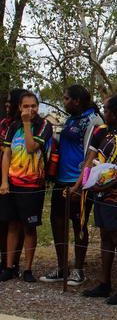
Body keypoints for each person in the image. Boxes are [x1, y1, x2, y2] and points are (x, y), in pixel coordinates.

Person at [74, 94, 117, 305]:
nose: (104, 113)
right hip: (100, 192)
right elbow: (91, 161)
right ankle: (104, 283)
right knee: (104, 238)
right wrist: (81, 185)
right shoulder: (104, 133)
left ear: (116, 113)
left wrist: (107, 185)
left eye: (107, 110)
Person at [40, 85, 103, 286]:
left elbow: (91, 153)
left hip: (79, 182)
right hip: (61, 180)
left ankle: (78, 269)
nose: (64, 101)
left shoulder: (94, 120)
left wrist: (82, 184)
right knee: (57, 221)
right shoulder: (71, 119)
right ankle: (61, 267)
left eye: (66, 98)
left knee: (79, 224)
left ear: (76, 101)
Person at [0, 91, 53, 282]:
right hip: (13, 183)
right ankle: (8, 266)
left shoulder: (44, 125)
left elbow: (31, 147)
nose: (30, 109)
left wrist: (28, 124)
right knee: (12, 225)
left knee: (29, 227)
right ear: (19, 107)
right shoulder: (13, 126)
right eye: (25, 106)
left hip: (33, 185)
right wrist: (4, 181)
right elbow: (6, 154)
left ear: (38, 107)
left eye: (33, 106)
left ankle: (28, 268)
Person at [0, 88, 26, 276]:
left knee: (14, 222)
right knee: (2, 222)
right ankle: (4, 261)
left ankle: (13, 263)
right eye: (6, 101)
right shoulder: (3, 123)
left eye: (11, 101)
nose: (7, 105)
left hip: (16, 178)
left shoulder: (21, 126)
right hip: (2, 177)